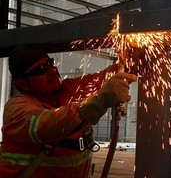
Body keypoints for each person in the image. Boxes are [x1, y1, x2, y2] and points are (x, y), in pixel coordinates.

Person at [0, 45, 137, 178]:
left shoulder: (70, 89)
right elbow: (50, 125)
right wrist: (98, 101)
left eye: (51, 63)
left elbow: (109, 77)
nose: (53, 70)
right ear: (23, 84)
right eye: (42, 69)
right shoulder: (16, 108)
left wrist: (130, 56)